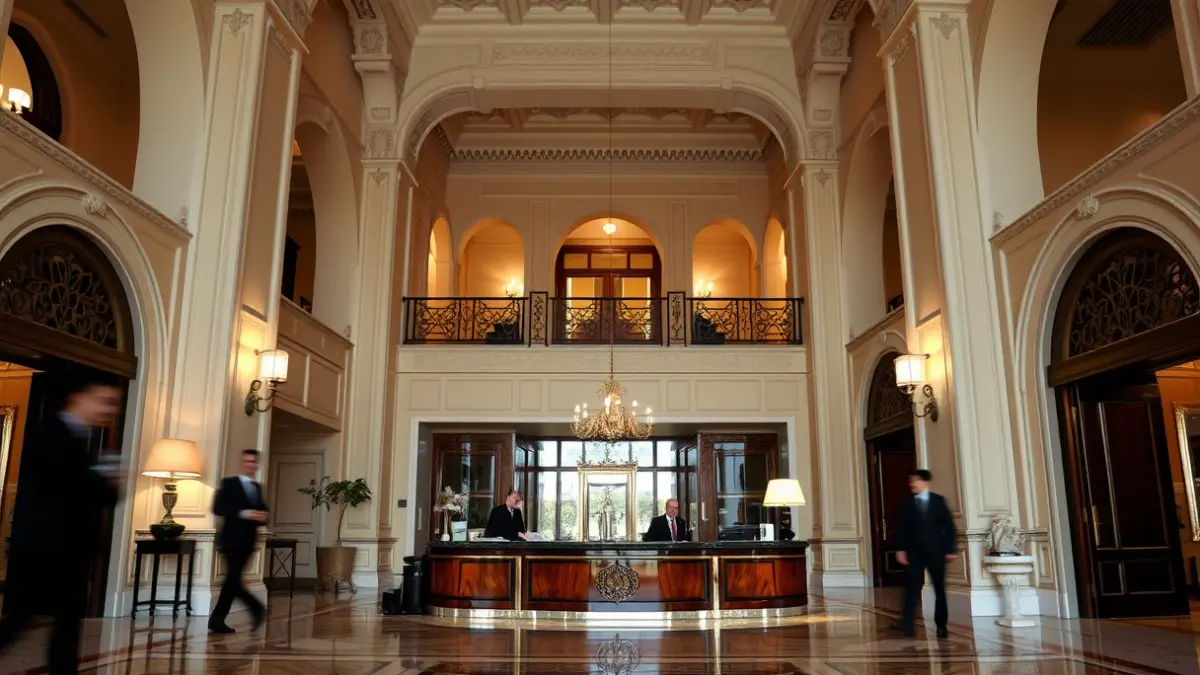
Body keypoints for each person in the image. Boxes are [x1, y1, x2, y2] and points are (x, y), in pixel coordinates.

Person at [0, 377, 123, 675]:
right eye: (104, 401)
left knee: (66, 628)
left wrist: (111, 482)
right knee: (19, 622)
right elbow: (64, 489)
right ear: (81, 397)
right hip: (44, 549)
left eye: (114, 404)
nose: (110, 410)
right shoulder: (49, 432)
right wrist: (100, 481)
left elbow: (104, 496)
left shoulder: (87, 440)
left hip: (72, 552)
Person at [209, 449, 269, 634]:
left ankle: (217, 620)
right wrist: (244, 513)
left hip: (248, 541)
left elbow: (263, 512)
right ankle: (257, 608)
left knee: (232, 580)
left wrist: (262, 516)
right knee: (233, 578)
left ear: (256, 465)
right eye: (247, 461)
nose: (250, 465)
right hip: (231, 539)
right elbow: (218, 508)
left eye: (253, 462)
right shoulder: (229, 484)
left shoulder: (257, 487)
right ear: (243, 463)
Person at [895, 469, 956, 638]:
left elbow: (949, 527)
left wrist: (950, 549)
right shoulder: (906, 502)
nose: (912, 484)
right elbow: (900, 528)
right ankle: (907, 624)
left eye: (915, 480)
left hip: (936, 552)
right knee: (911, 588)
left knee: (939, 589)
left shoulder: (938, 501)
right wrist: (900, 549)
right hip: (913, 552)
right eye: (911, 481)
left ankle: (941, 625)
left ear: (925, 482)